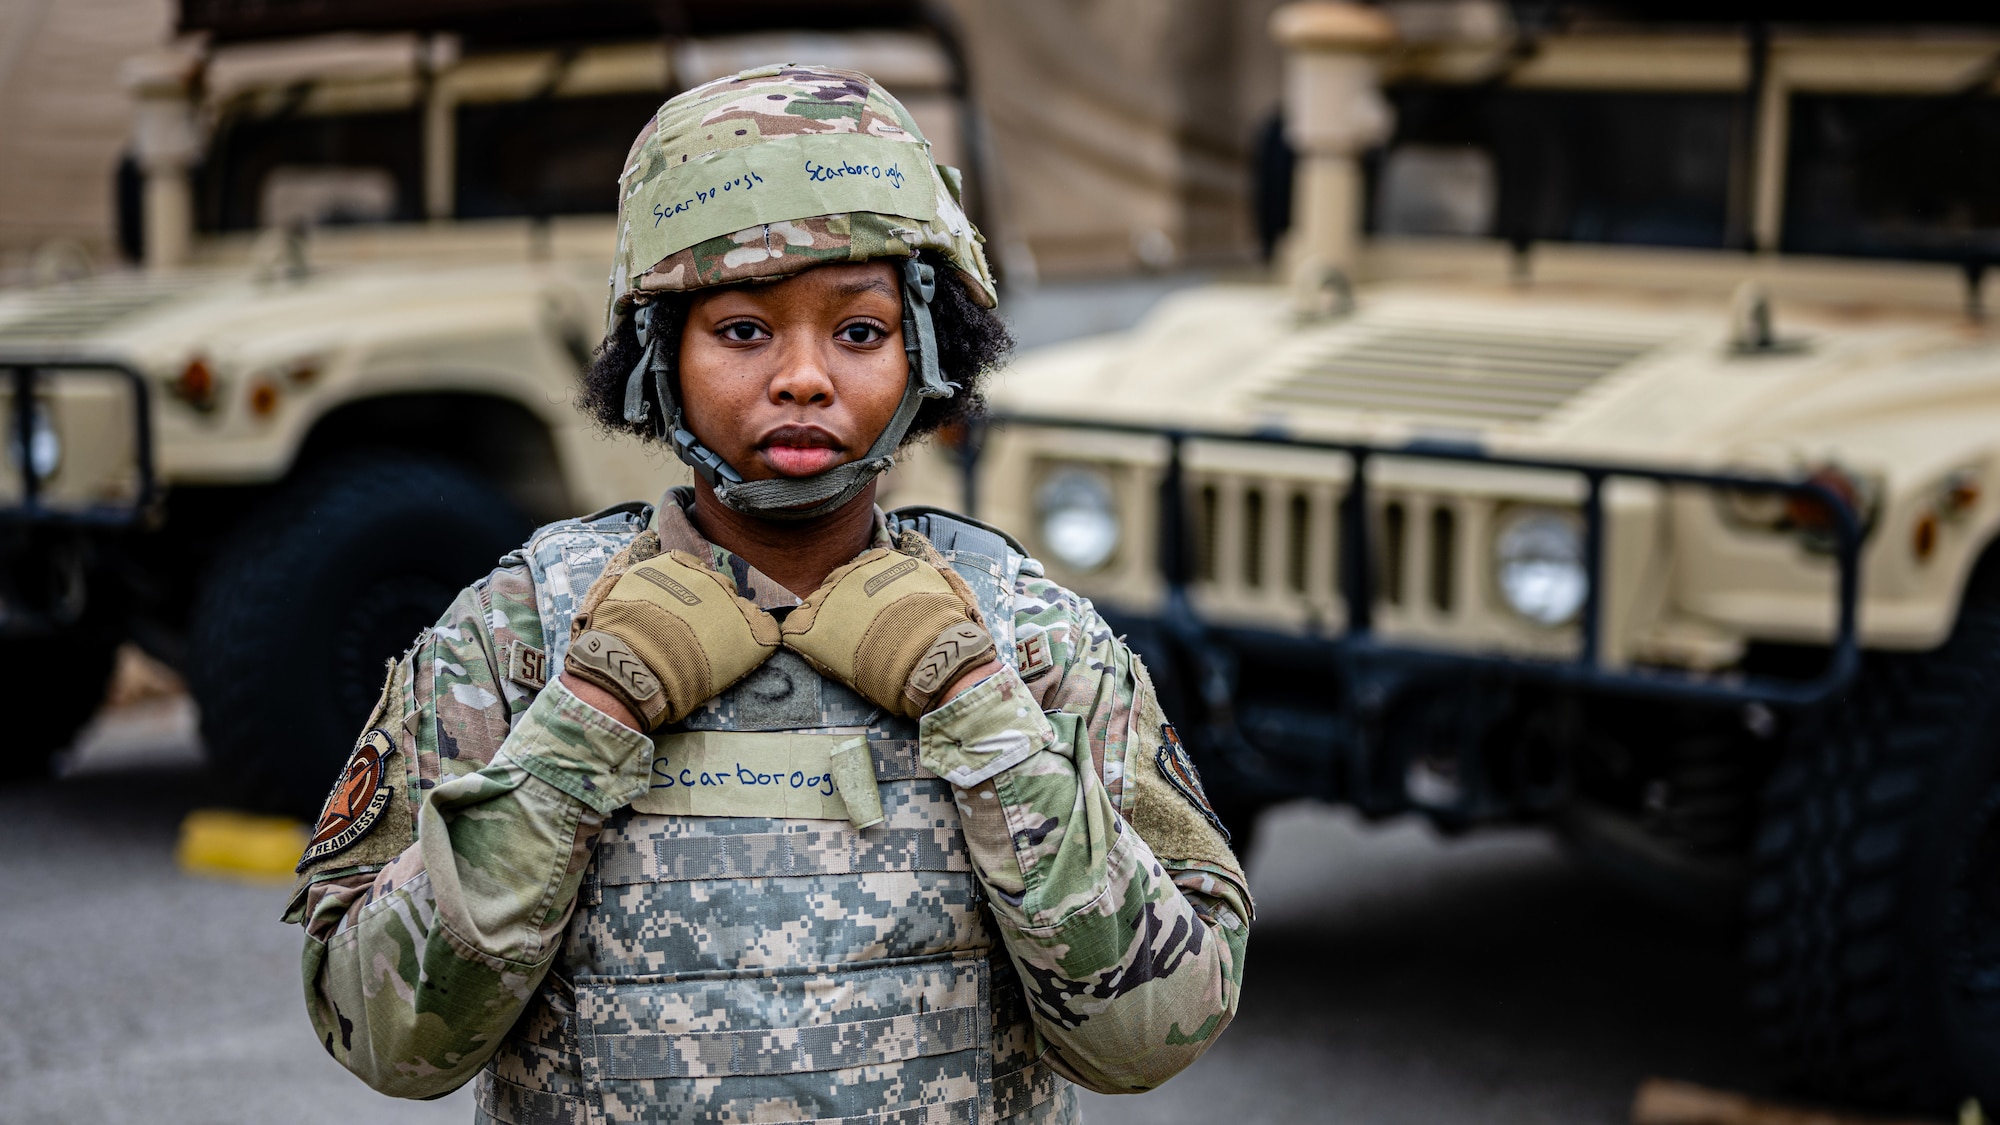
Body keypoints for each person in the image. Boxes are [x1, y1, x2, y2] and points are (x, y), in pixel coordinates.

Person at [284, 65, 1251, 1125]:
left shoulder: (1027, 639)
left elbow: (1155, 1033)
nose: (802, 378)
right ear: (661, 353)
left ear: (926, 355)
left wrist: (983, 713)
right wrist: (586, 720)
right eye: (743, 331)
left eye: (858, 332)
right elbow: (386, 1041)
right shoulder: (519, 634)